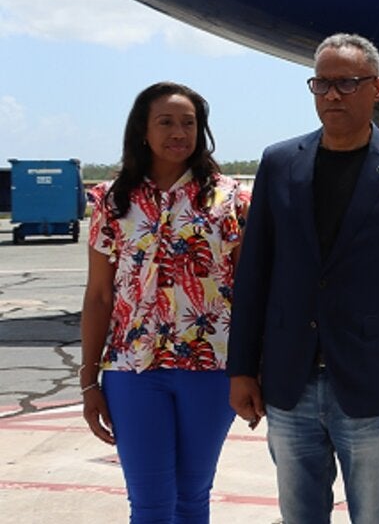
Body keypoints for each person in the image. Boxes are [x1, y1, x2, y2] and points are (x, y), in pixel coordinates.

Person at [227, 33, 379, 524]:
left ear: (377, 89)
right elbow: (254, 273)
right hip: (288, 381)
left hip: (368, 382)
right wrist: (241, 369)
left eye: (346, 83)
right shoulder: (279, 163)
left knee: (373, 515)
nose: (332, 95)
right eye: (321, 84)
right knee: (299, 515)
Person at [79, 81, 250, 523]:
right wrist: (88, 380)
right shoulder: (112, 200)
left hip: (211, 369)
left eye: (189, 123)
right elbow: (99, 296)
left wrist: (252, 367)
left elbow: (251, 287)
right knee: (150, 504)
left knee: (192, 497)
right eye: (166, 122)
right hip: (132, 371)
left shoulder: (229, 198)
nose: (179, 132)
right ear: (143, 130)